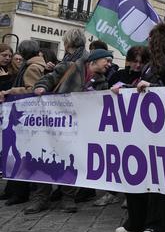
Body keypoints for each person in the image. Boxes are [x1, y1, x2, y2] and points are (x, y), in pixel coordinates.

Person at [114, 23, 165, 232]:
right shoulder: (149, 66)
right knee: (136, 173)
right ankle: (136, 220)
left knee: (158, 179)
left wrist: (152, 88)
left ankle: (157, 224)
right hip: (144, 130)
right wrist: (123, 90)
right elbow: (141, 90)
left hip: (162, 131)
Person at [28, 47, 113, 214]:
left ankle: (68, 198)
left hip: (77, 127)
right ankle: (41, 198)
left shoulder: (102, 81)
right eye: (107, 61)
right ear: (94, 60)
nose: (109, 64)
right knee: (45, 158)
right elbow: (49, 79)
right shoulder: (70, 67)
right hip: (54, 122)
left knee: (70, 161)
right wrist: (40, 87)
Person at [95, 46, 150, 208]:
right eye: (135, 61)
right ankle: (112, 192)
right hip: (117, 124)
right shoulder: (119, 75)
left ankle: (131, 193)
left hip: (138, 125)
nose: (138, 65)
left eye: (141, 62)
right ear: (129, 61)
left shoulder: (145, 77)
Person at [0, 40, 47, 205]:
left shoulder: (32, 67)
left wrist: (11, 91)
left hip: (26, 117)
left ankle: (19, 193)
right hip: (24, 117)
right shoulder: (36, 65)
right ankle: (13, 190)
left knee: (19, 152)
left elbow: (32, 89)